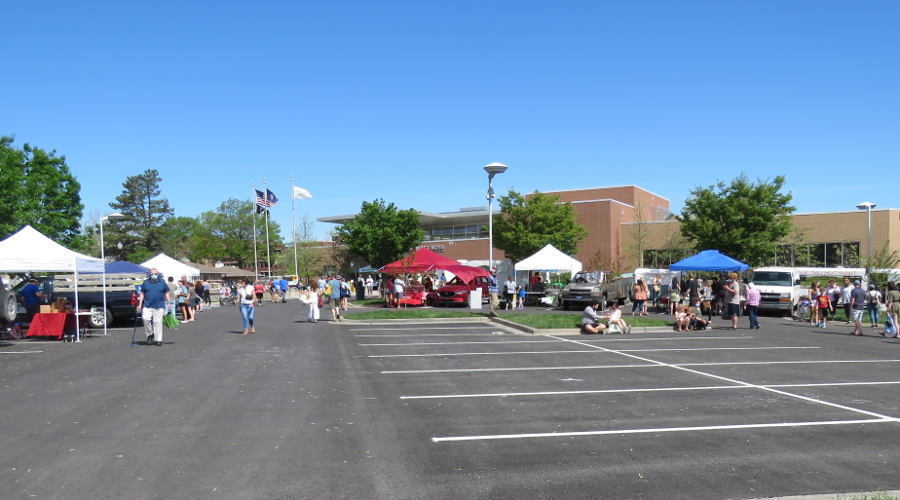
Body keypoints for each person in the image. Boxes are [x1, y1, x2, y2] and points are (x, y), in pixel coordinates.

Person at [136, 268, 170, 346]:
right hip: (147, 305)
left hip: (159, 305)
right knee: (145, 318)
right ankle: (150, 334)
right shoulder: (145, 282)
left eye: (155, 274)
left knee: (157, 322)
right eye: (152, 274)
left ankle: (158, 340)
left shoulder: (162, 282)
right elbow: (142, 293)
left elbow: (166, 291)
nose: (154, 275)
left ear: (158, 274)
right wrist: (139, 304)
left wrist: (168, 301)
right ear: (149, 274)